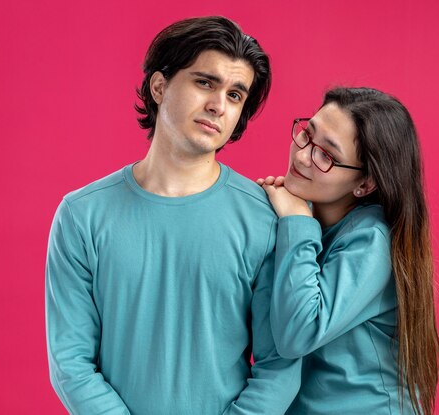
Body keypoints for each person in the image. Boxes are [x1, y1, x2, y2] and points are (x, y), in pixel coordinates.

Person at [45, 16, 301, 415]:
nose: (218, 105)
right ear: (160, 86)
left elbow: (279, 364)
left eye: (236, 95)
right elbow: (71, 364)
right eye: (205, 83)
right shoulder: (82, 216)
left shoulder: (265, 219)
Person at [257, 87, 439, 415]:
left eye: (326, 155)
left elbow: (297, 334)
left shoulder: (374, 240)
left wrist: (297, 221)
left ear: (365, 184)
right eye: (306, 134)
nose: (302, 156)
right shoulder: (315, 218)